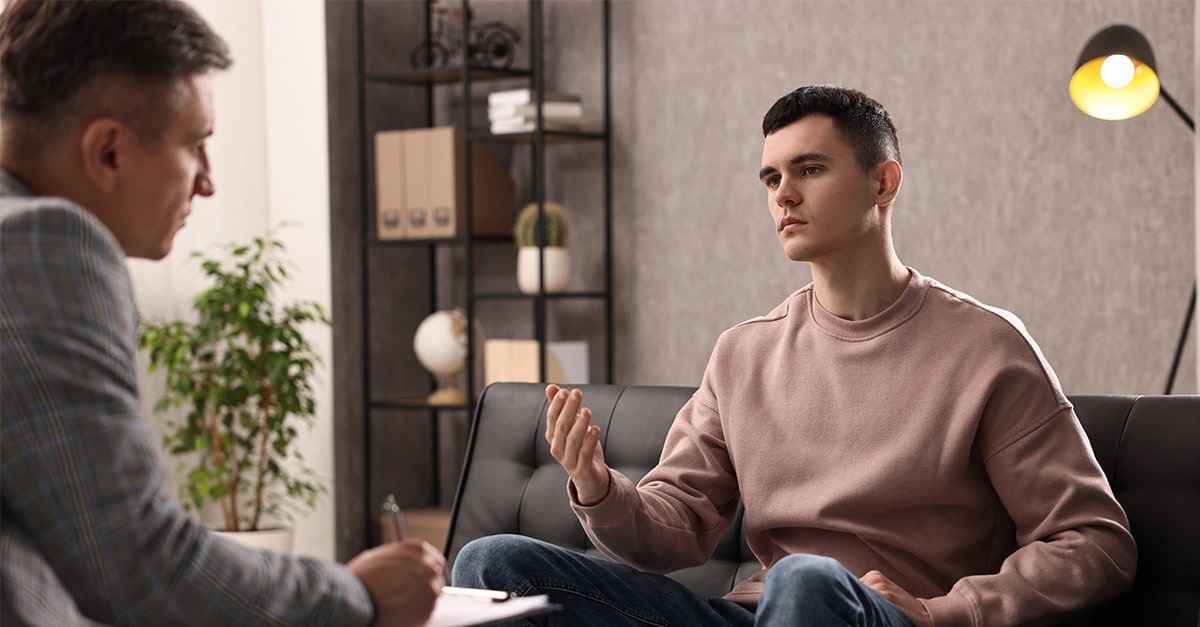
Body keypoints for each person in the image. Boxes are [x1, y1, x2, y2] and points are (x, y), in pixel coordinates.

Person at [451, 85, 1137, 626]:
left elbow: (1094, 542)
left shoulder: (987, 348)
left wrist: (942, 611)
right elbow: (677, 528)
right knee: (490, 565)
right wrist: (600, 489)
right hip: (752, 613)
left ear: (883, 182)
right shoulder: (743, 352)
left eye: (809, 168)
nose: (783, 191)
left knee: (805, 578)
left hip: (891, 617)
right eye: (771, 176)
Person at [0, 1, 443, 625]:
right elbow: (140, 569)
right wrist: (359, 596)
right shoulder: (43, 242)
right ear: (108, 153)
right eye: (196, 144)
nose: (207, 182)